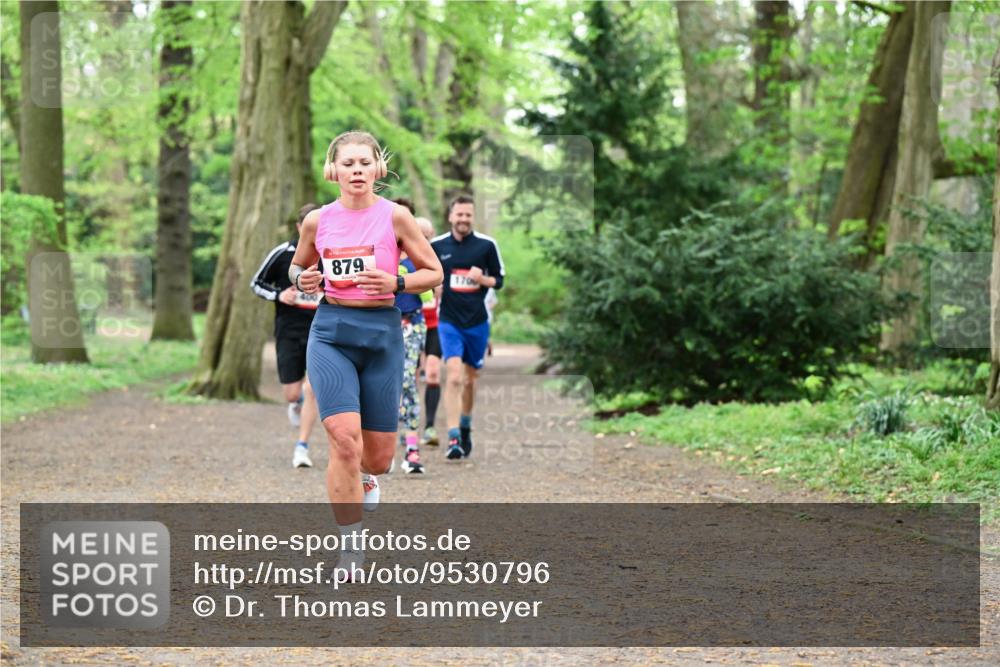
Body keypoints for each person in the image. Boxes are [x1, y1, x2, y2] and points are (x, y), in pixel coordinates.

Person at [290, 130, 442, 576]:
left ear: (378, 168)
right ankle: (351, 549)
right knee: (343, 440)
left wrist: (397, 282)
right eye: (348, 163)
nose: (356, 170)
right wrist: (302, 279)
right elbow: (297, 265)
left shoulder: (396, 217)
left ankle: (369, 475)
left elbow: (434, 272)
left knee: (377, 458)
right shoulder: (316, 220)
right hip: (331, 331)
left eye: (364, 162)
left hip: (381, 335)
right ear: (332, 170)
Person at [431, 194, 505, 460]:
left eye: (468, 215)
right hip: (449, 320)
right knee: (453, 376)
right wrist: (433, 286)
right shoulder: (437, 246)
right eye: (459, 214)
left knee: (470, 380)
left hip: (477, 322)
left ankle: (464, 424)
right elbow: (425, 275)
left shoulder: (486, 245)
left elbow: (499, 281)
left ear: (473, 217)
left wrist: (481, 279)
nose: (463, 219)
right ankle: (453, 438)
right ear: (451, 216)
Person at [250, 204, 323, 468]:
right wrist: (279, 295)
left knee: (312, 388)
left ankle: (301, 447)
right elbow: (256, 283)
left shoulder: (330, 253)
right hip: (289, 330)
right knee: (292, 393)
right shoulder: (283, 253)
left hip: (321, 331)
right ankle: (296, 402)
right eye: (309, 226)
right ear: (299, 227)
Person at [392, 199, 433, 474]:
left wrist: (407, 279)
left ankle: (412, 451)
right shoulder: (376, 250)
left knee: (407, 382)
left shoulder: (420, 253)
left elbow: (431, 291)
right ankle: (378, 450)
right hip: (379, 326)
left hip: (412, 323)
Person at [416, 216, 444, 447]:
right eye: (419, 235)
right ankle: (409, 425)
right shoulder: (402, 257)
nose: (423, 240)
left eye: (427, 236)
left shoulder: (439, 258)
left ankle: (430, 426)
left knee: (433, 372)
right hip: (409, 324)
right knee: (410, 377)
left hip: (435, 325)